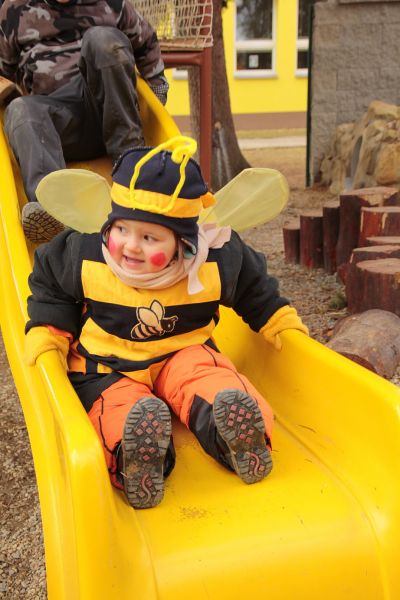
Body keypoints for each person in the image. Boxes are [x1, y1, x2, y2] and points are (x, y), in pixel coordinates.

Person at [24, 137, 309, 509]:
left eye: (149, 237)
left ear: (183, 244)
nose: (130, 245)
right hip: (107, 365)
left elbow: (254, 288)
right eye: (121, 230)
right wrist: (50, 332)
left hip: (182, 352)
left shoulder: (213, 262)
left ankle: (238, 437)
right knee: (116, 408)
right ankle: (139, 458)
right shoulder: (85, 255)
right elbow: (51, 287)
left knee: (212, 380)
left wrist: (278, 320)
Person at [0, 0, 168, 244]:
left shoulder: (111, 4)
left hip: (108, 108)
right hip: (54, 123)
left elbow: (146, 43)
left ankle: (131, 167)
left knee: (102, 39)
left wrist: (157, 96)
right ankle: (53, 207)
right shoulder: (15, 9)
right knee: (19, 108)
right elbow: (3, 70)